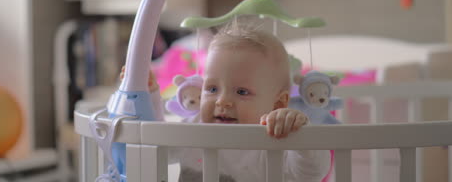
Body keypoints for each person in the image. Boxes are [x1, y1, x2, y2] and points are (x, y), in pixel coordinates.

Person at [122, 21, 331, 181]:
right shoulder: (195, 131)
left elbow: (311, 173)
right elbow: (156, 148)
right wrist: (146, 96)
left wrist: (299, 134)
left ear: (277, 104)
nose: (222, 101)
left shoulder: (274, 139)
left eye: (241, 91)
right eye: (212, 89)